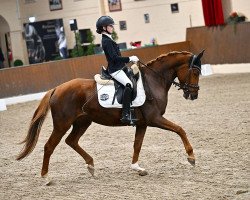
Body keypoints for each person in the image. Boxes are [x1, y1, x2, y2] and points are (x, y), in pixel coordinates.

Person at [96, 16, 139, 124]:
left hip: (120, 67)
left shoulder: (109, 39)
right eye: (110, 26)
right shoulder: (106, 41)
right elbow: (114, 58)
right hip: (115, 70)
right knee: (128, 84)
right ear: (104, 27)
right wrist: (129, 58)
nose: (112, 27)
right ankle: (125, 114)